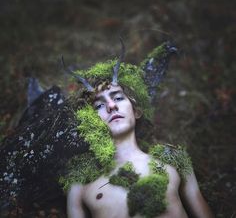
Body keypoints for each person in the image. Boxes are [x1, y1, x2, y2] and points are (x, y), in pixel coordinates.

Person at [63, 42, 214, 218]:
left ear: (136, 110)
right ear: (89, 121)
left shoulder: (173, 160)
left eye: (118, 98)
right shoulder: (80, 183)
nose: (111, 106)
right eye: (99, 106)